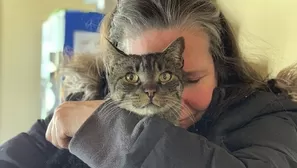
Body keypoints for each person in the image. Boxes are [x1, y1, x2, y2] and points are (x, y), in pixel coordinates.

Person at [1, 0, 297, 167]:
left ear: (222, 68)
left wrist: (108, 129)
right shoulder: (88, 98)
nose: (167, 99)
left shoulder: (270, 117)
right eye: (132, 78)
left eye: (186, 79)